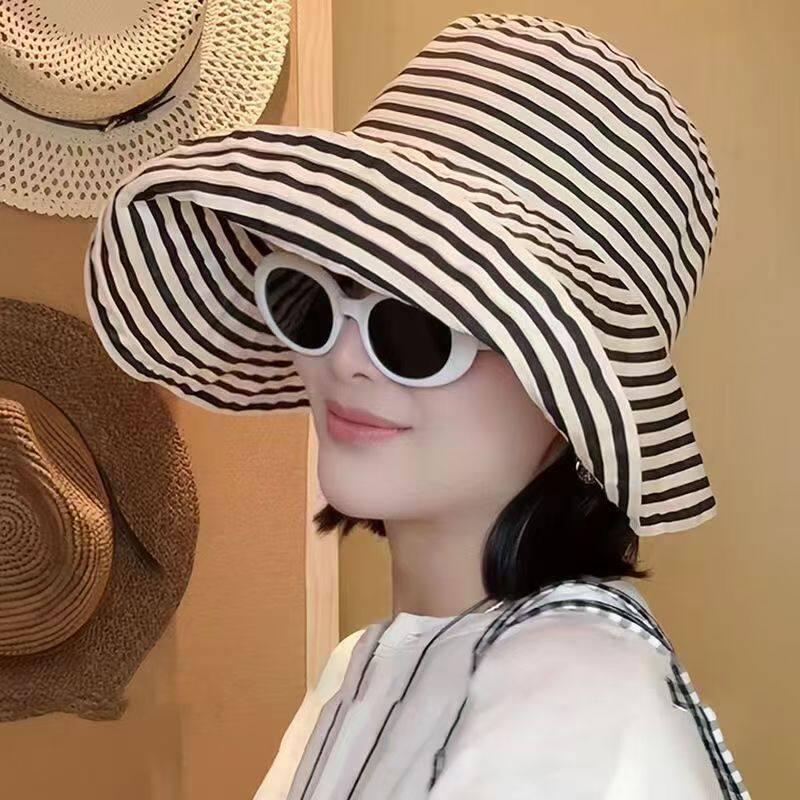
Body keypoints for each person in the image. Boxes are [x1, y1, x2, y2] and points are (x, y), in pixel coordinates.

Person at [83, 12, 751, 800]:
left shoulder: (577, 711)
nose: (343, 357)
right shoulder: (360, 669)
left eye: (421, 326)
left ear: (569, 392)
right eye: (313, 295)